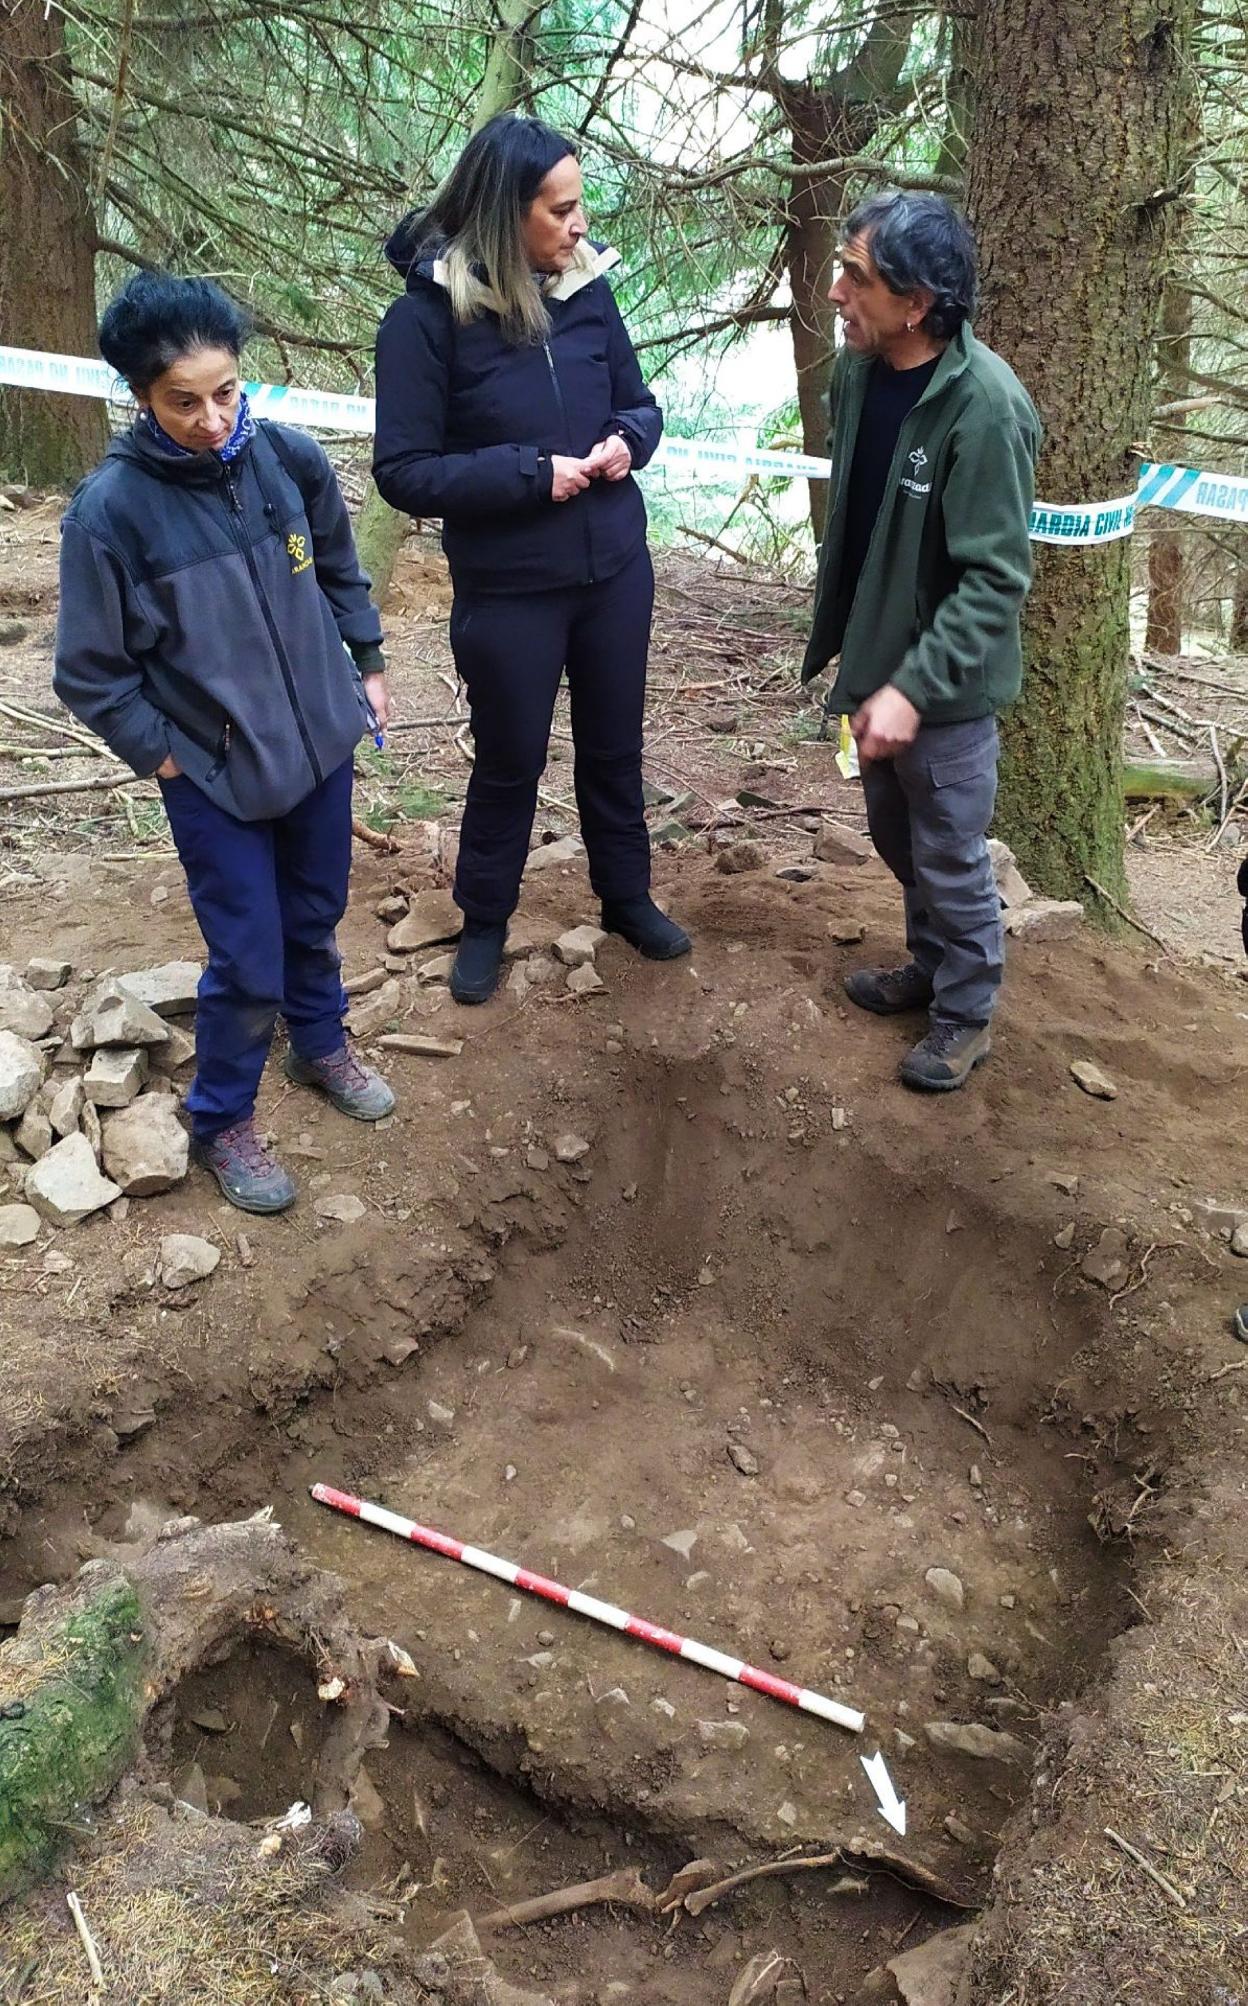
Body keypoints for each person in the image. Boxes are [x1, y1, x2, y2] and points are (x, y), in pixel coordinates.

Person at [53, 271, 395, 1213]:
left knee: (316, 912)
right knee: (246, 956)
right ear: (139, 395)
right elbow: (88, 671)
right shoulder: (110, 514)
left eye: (226, 392)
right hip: (215, 775)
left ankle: (320, 1042)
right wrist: (165, 755)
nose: (212, 419)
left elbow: (337, 566)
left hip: (321, 744)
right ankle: (222, 1120)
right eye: (183, 401)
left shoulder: (286, 459)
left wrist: (363, 660)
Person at [373, 112, 690, 1005]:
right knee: (511, 759)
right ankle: (484, 921)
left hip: (614, 569)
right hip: (510, 586)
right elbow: (403, 471)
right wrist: (527, 475)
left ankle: (626, 897)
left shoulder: (589, 290)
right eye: (560, 210)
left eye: (579, 205)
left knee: (613, 748)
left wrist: (631, 439)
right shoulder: (425, 321)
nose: (579, 224)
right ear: (504, 212)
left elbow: (642, 401)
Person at [802, 190, 1042, 1092]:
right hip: (879, 673)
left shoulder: (987, 409)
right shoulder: (861, 375)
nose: (834, 292)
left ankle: (965, 1013)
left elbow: (995, 582)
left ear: (917, 303)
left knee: (949, 854)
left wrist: (913, 687)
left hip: (943, 695)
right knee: (901, 842)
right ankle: (931, 965)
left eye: (856, 277)